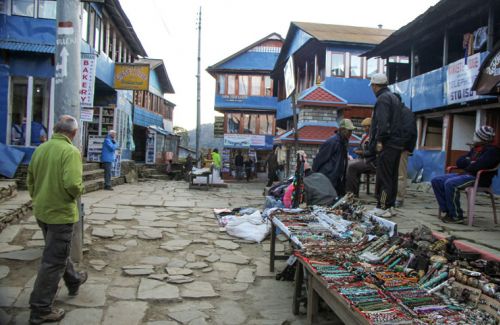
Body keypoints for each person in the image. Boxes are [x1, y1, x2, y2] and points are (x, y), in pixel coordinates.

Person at [27, 115, 87, 324]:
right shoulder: (70, 151)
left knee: (56, 251)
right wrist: (79, 190)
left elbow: (30, 180)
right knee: (53, 261)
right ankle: (40, 308)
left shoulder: (40, 149)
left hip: (42, 211)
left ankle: (74, 280)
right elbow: (72, 183)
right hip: (61, 213)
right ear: (74, 133)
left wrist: (38, 197)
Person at [431, 126, 500, 224]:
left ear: (482, 137)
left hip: (478, 178)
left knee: (450, 183)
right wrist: (471, 162)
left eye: (476, 135)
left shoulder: (493, 151)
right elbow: (460, 161)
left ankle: (456, 216)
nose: (473, 136)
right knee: (436, 180)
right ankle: (448, 211)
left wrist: (470, 162)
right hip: (467, 174)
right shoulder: (476, 148)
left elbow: (479, 166)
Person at [367, 73, 405, 211]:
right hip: (397, 143)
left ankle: (383, 206)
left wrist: (379, 141)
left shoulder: (382, 99)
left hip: (387, 143)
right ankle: (390, 205)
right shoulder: (394, 98)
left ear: (375, 86)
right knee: (392, 176)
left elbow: (382, 123)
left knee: (384, 177)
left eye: (372, 86)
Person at [312, 119, 355, 197]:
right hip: (329, 177)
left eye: (351, 131)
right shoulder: (333, 142)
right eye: (349, 131)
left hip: (336, 178)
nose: (350, 133)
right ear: (342, 129)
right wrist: (313, 176)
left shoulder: (343, 141)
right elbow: (319, 160)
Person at [395, 94, 418, 208]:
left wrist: (400, 145)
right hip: (395, 147)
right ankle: (394, 196)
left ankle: (399, 198)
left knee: (400, 174)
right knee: (395, 174)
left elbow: (409, 133)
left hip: (401, 148)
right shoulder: (398, 112)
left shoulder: (406, 113)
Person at [345, 117, 375, 196]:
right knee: (348, 163)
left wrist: (362, 153)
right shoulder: (364, 136)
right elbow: (361, 147)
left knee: (352, 167)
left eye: (368, 126)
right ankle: (352, 190)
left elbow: (373, 152)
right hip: (363, 159)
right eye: (365, 127)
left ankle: (352, 192)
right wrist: (357, 150)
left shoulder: (374, 137)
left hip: (371, 161)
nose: (366, 128)